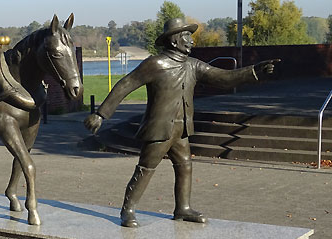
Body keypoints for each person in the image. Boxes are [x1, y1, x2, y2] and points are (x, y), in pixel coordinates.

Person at [84, 18, 279, 227]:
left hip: (182, 128)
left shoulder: (192, 65)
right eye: (187, 36)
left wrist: (254, 71)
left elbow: (224, 78)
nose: (191, 41)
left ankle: (182, 208)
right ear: (175, 40)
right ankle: (128, 210)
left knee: (185, 166)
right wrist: (101, 114)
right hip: (160, 128)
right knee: (146, 168)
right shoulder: (155, 64)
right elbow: (125, 85)